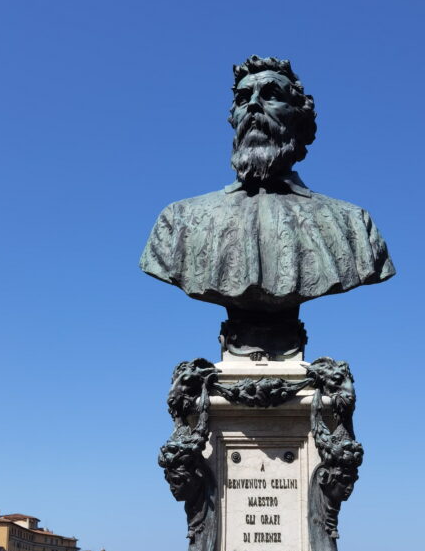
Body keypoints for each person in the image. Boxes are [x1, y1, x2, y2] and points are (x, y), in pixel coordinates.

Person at [140, 56, 395, 357]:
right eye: (242, 98)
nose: (253, 106)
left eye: (271, 95)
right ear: (233, 117)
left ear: (299, 118)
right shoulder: (179, 219)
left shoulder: (352, 223)